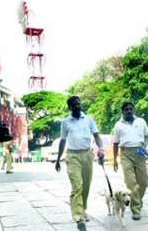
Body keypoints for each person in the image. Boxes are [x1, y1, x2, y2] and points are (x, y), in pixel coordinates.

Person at [55, 96, 105, 231]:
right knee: (77, 186)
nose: (78, 106)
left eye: (79, 103)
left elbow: (96, 136)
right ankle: (79, 217)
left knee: (86, 186)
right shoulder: (65, 122)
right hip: (72, 155)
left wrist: (101, 149)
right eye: (74, 104)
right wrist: (58, 159)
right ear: (70, 107)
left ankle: (82, 209)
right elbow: (63, 141)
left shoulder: (89, 119)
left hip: (87, 154)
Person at [113, 102, 148, 221]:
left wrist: (144, 146)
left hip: (140, 152)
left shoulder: (141, 121)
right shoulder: (118, 125)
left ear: (133, 110)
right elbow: (115, 143)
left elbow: (147, 137)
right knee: (131, 184)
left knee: (144, 182)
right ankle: (136, 209)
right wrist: (114, 160)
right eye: (126, 109)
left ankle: (138, 200)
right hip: (125, 154)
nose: (129, 111)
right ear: (122, 111)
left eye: (130, 109)